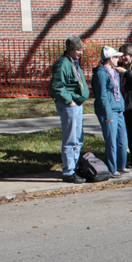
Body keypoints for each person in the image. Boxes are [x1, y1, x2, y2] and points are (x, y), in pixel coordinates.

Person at [48, 36, 89, 184]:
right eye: (78, 50)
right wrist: (70, 101)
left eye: (81, 49)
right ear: (70, 49)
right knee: (71, 138)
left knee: (78, 138)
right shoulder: (62, 64)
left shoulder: (74, 62)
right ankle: (68, 172)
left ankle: (75, 167)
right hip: (69, 105)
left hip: (77, 103)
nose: (80, 52)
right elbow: (56, 87)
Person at [91, 46, 128, 178]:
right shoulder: (101, 73)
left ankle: (121, 165)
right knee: (112, 140)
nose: (119, 59)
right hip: (108, 111)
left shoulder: (114, 71)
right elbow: (102, 95)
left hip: (118, 109)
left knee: (123, 140)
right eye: (116, 57)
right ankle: (112, 168)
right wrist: (107, 114)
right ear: (110, 58)